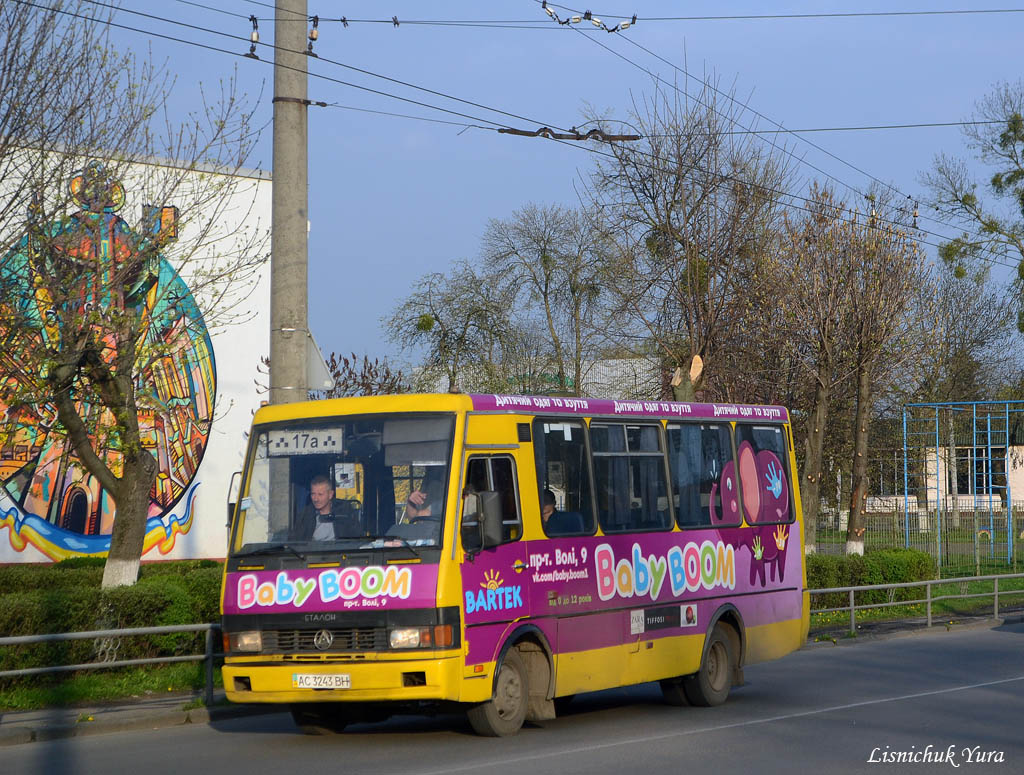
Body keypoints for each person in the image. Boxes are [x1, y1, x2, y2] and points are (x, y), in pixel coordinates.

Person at [297, 474, 361, 540]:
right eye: (313, 494)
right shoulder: (305, 515)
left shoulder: (345, 512)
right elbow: (296, 543)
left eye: (320, 494)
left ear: (330, 494)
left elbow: (356, 540)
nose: (315, 499)